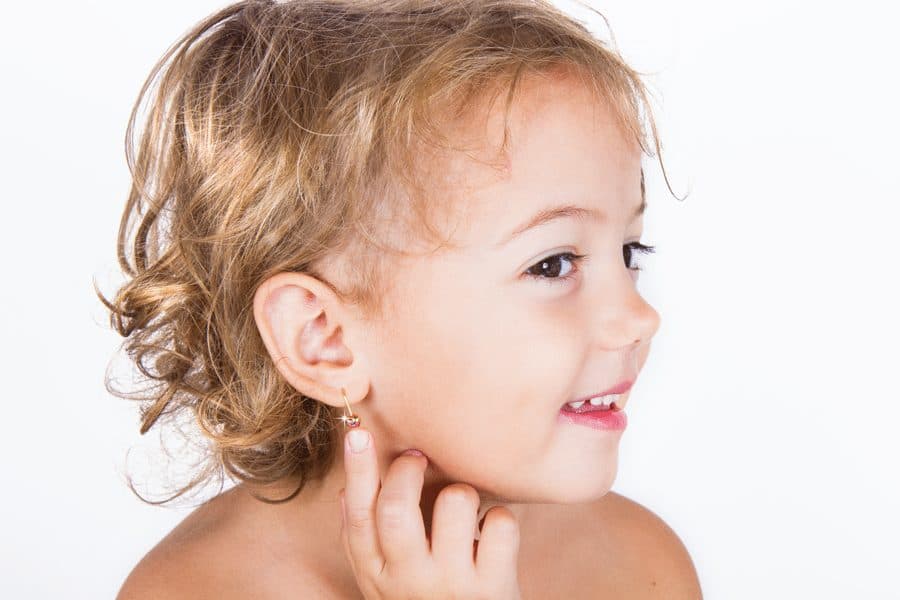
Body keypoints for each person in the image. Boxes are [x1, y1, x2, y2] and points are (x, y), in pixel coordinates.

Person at [102, 0, 702, 597]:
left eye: (629, 252)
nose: (638, 319)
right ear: (324, 339)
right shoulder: (192, 590)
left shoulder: (636, 566)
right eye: (553, 264)